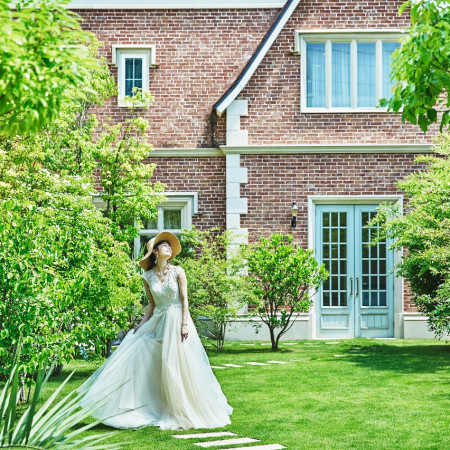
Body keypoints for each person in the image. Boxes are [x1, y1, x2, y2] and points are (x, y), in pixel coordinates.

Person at [76, 231, 232, 430]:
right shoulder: (147, 276)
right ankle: (147, 404)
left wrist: (184, 324)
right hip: (158, 319)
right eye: (164, 246)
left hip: (176, 319)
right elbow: (151, 304)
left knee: (177, 364)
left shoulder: (178, 271)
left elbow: (185, 300)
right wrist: (140, 325)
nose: (169, 248)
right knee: (141, 351)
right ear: (155, 252)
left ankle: (182, 407)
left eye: (169, 246)